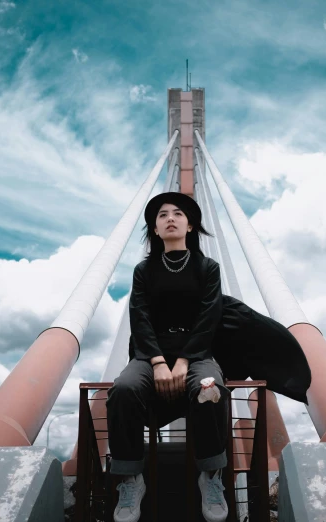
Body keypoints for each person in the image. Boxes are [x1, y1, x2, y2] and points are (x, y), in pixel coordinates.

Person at [107, 191, 230, 522]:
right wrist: (159, 362)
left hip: (197, 353)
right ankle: (131, 479)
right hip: (150, 355)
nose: (170, 218)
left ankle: (211, 476)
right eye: (162, 215)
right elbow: (140, 317)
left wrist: (185, 361)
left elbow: (209, 318)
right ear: (155, 229)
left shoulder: (207, 268)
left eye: (178, 213)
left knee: (210, 389)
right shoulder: (144, 270)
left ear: (190, 226)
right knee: (124, 390)